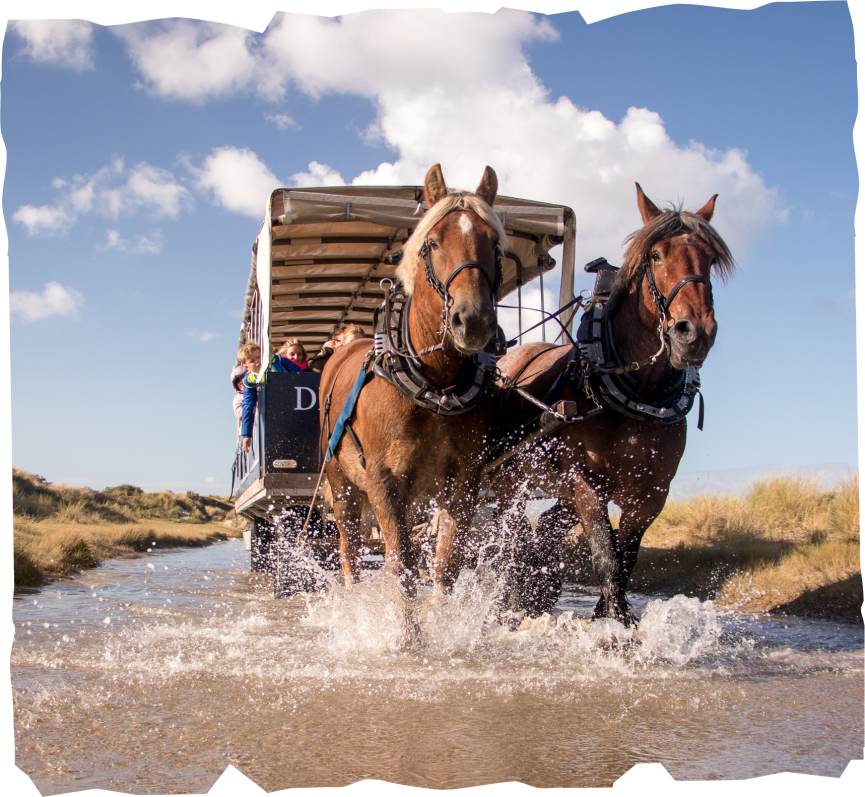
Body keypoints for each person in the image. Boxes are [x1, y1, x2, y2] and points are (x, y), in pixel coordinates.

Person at [239, 341, 303, 453]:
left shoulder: (279, 361)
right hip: (275, 414)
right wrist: (246, 434)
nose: (258, 362)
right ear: (246, 366)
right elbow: (248, 406)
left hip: (296, 403)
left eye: (259, 357)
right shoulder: (250, 381)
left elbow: (300, 376)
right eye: (252, 361)